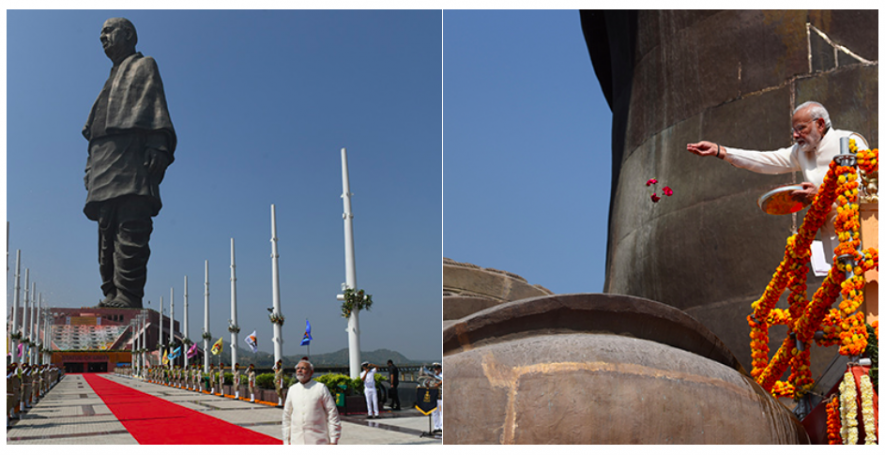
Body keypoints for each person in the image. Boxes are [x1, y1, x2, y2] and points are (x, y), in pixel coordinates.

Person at [687, 101, 869, 266]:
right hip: (834, 244)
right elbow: (765, 161)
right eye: (793, 131)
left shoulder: (850, 142)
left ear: (820, 124)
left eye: (801, 129)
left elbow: (868, 192)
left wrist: (822, 196)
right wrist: (721, 151)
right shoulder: (801, 151)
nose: (796, 136)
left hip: (864, 234)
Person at [83, 18, 176, 309]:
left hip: (132, 157)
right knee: (105, 233)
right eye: (101, 33)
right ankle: (111, 292)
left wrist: (158, 145)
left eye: (108, 31)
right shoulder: (109, 79)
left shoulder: (144, 65)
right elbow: (93, 131)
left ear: (129, 34)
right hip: (102, 162)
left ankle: (128, 295)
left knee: (131, 228)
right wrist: (89, 167)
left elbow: (155, 106)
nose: (103, 37)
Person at [281, 360, 341, 445]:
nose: (299, 370)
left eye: (303, 368)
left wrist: (334, 439)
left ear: (311, 372)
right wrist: (286, 440)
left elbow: (332, 413)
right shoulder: (292, 390)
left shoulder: (320, 388)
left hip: (318, 441)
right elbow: (286, 416)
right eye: (297, 368)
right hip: (297, 441)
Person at [431, 362, 442, 434]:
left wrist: (438, 384)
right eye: (435, 369)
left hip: (440, 396)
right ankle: (436, 427)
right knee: (434, 412)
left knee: (441, 412)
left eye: (437, 369)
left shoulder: (442, 376)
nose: (436, 370)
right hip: (434, 396)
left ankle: (441, 427)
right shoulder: (433, 376)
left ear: (440, 369)